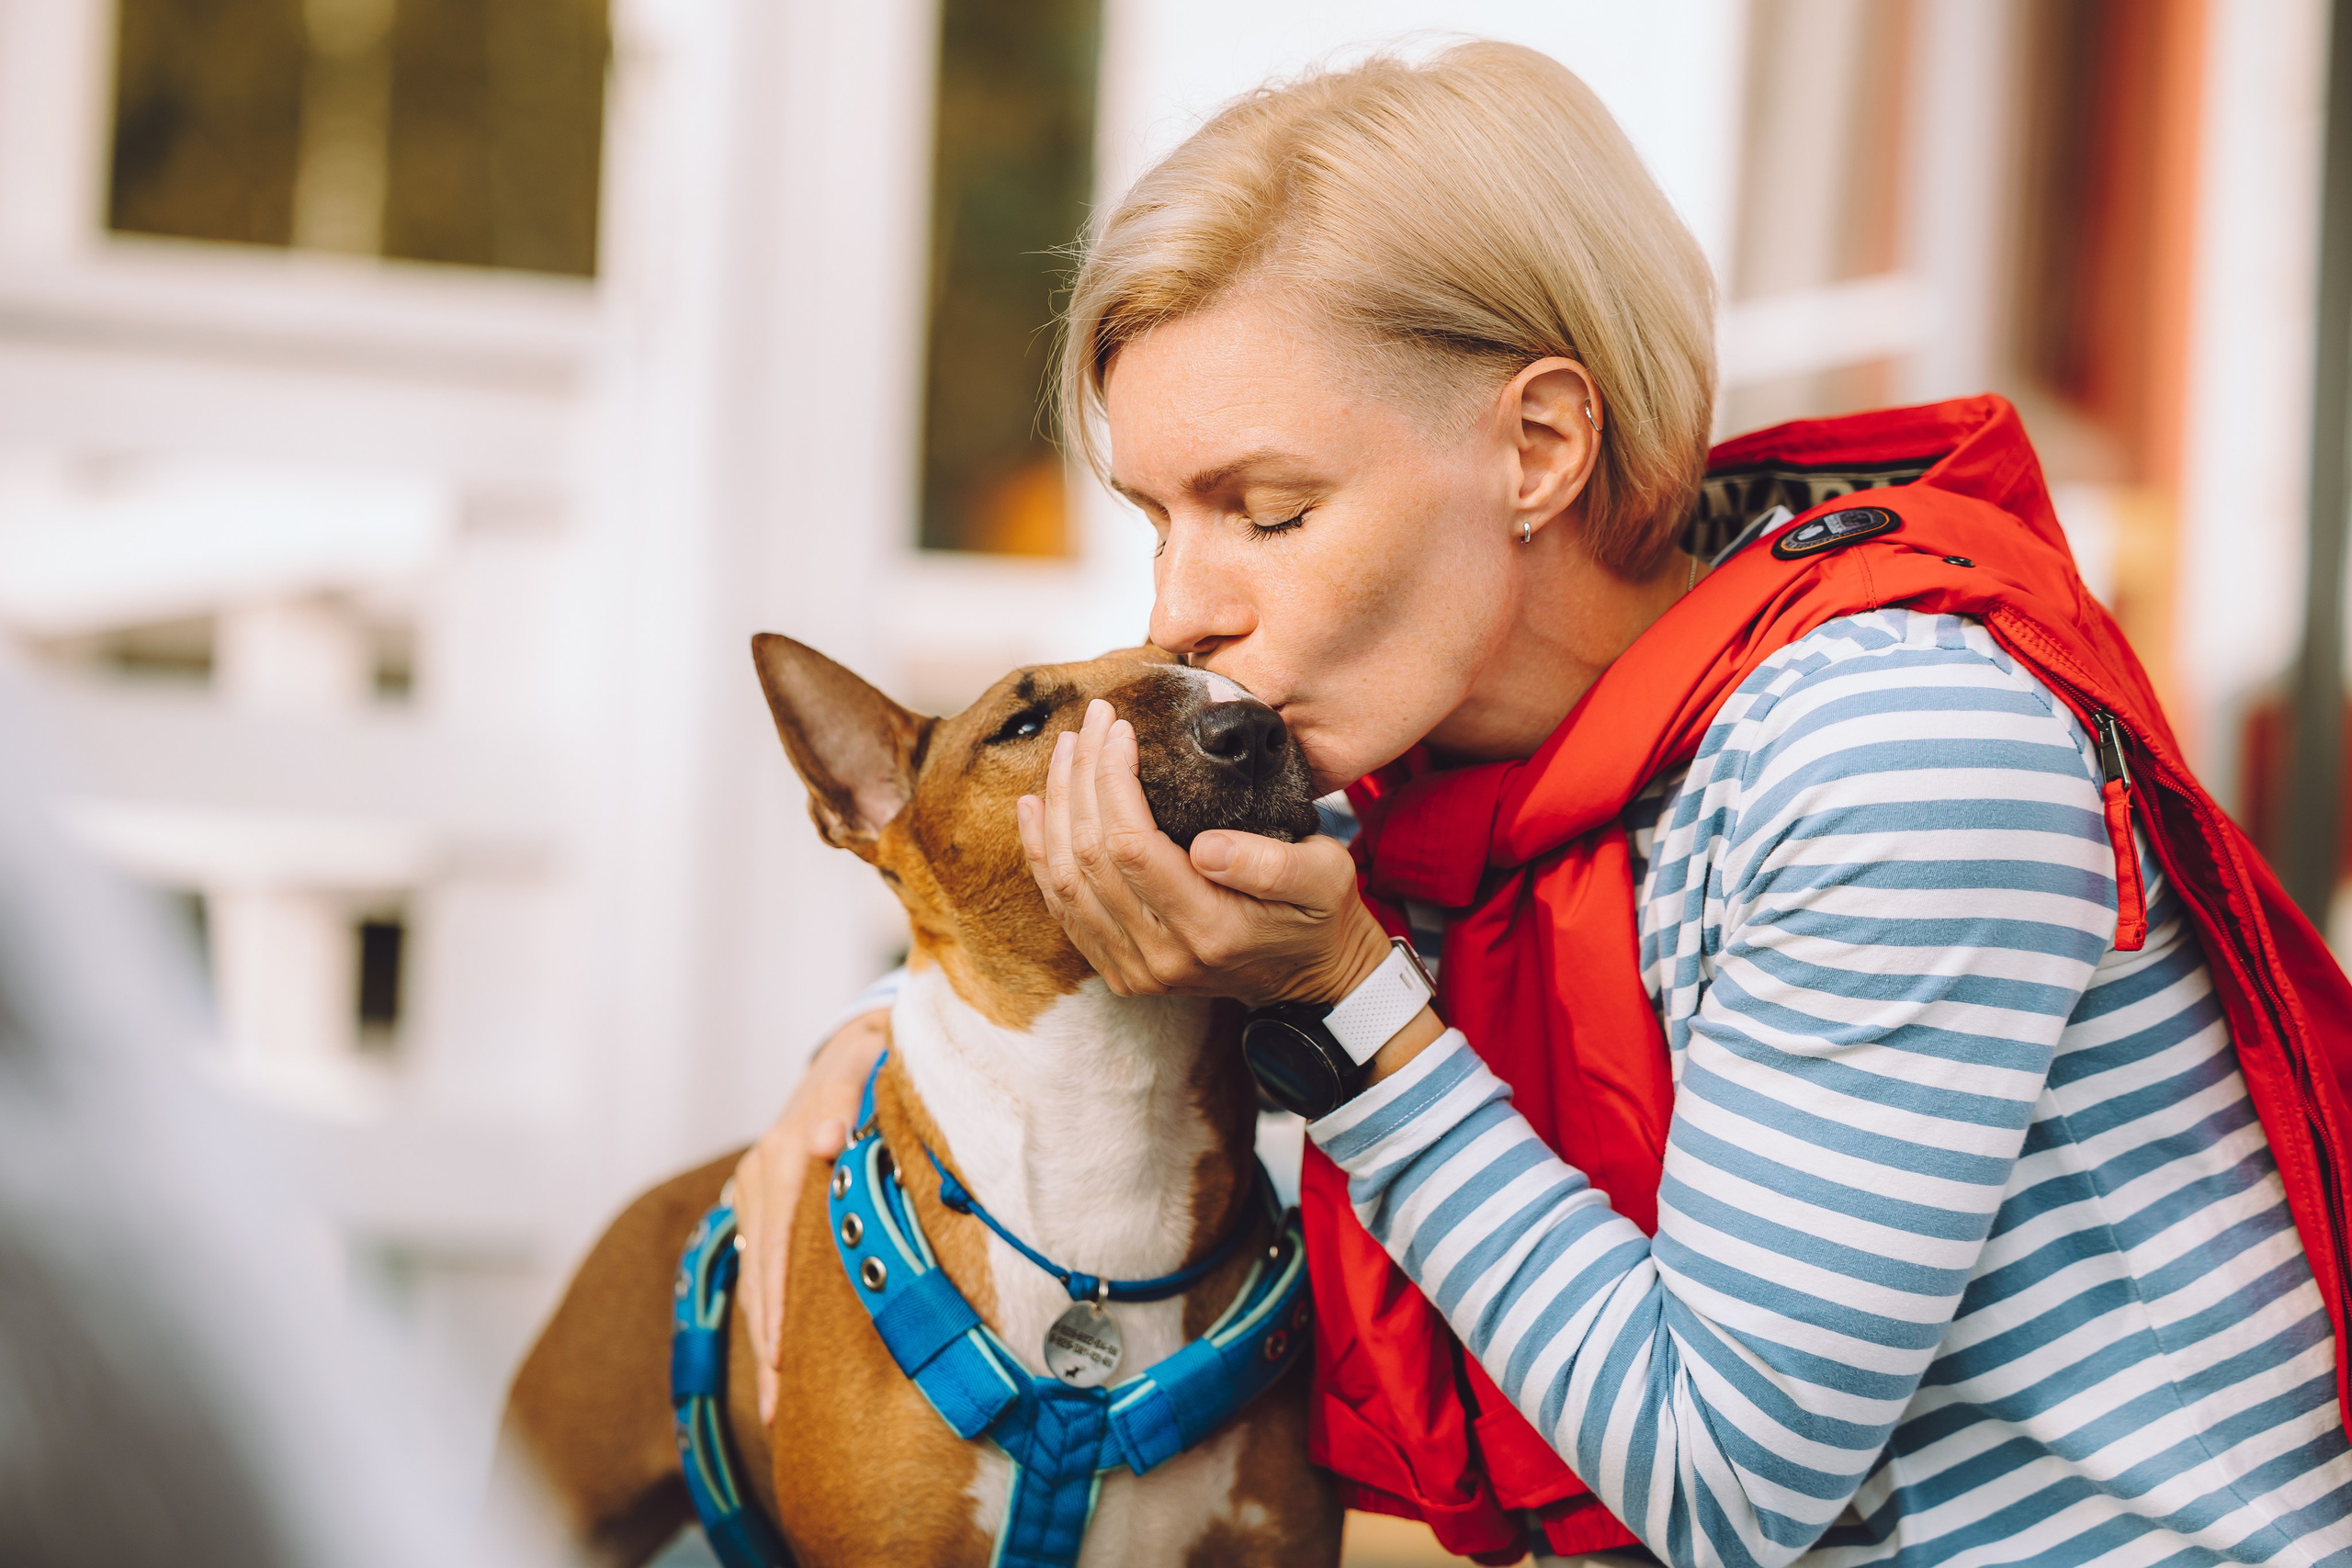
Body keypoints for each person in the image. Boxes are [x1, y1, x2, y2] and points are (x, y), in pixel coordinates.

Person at [735, 41, 2352, 1567]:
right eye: (1157, 517)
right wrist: (880, 1035)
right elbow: (1056, 991)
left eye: (1272, 511)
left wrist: (1353, 1012)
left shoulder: (1888, 753)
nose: (1178, 612)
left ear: (1541, 444)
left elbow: (1723, 1493)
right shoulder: (1437, 775)